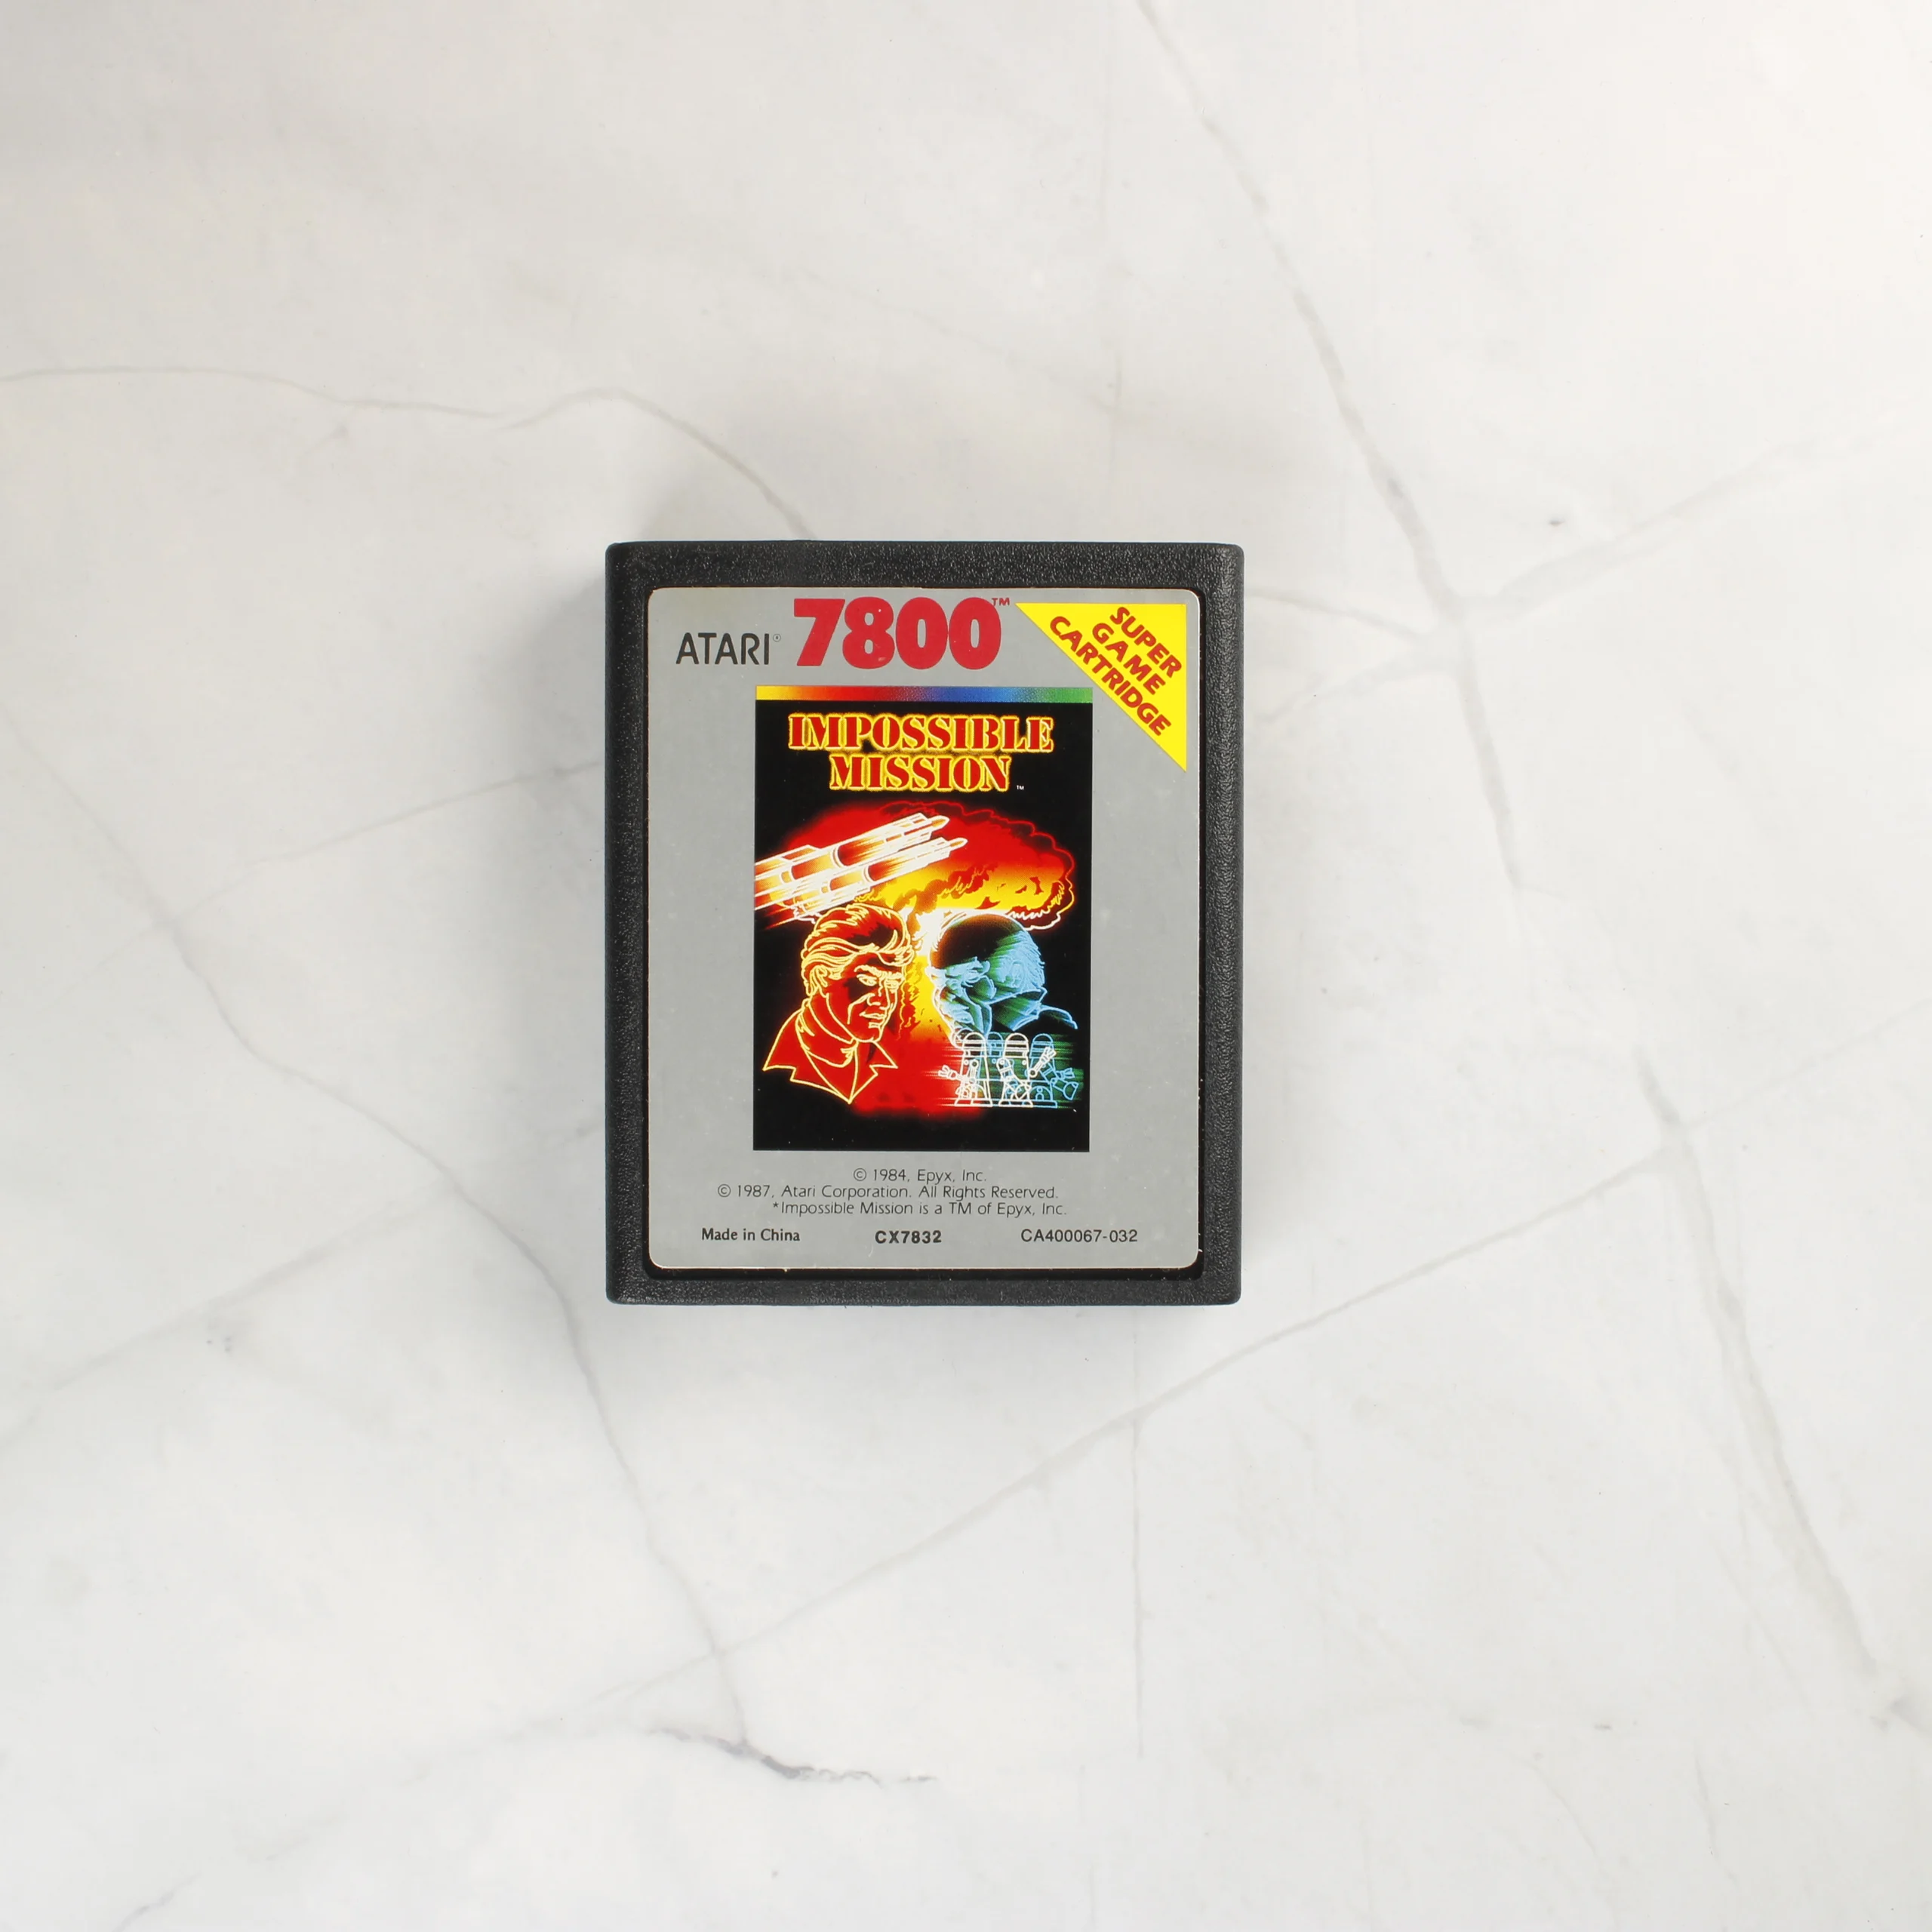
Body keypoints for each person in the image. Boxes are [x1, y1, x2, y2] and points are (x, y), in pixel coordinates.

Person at [763, 902, 915, 1104]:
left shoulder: (892, 1068)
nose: (885, 1001)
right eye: (868, 980)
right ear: (821, 977)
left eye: (893, 985)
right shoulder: (773, 1072)